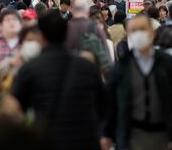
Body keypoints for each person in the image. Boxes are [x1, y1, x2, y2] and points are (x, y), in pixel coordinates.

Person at [12, 10, 106, 150]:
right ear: (66, 34)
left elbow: (16, 109)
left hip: (47, 142)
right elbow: (103, 105)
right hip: (85, 141)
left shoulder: (30, 69)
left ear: (41, 36)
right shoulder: (86, 66)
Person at [102, 16, 172, 150]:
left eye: (142, 29)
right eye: (134, 30)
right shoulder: (123, 66)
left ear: (152, 33)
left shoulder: (167, 62)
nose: (138, 34)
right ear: (128, 34)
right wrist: (107, 133)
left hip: (164, 134)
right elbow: (111, 101)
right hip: (132, 134)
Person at [65, 0, 112, 73]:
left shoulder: (64, 28)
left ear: (72, 10)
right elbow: (106, 57)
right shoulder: (96, 28)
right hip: (93, 73)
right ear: (87, 10)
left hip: (70, 73)